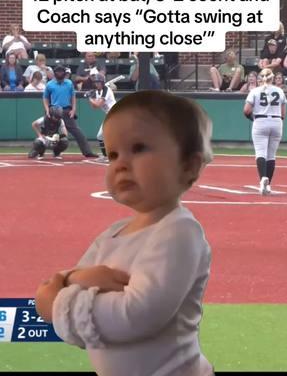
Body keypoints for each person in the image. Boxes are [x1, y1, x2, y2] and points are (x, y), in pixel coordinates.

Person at [35, 90, 214, 376]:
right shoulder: (113, 234)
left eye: (139, 148)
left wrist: (57, 303)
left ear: (188, 166)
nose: (120, 163)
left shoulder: (179, 231)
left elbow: (136, 316)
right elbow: (67, 281)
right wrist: (73, 278)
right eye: (112, 153)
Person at [243, 68, 287, 195]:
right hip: (276, 121)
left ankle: (263, 178)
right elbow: (283, 112)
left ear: (260, 78)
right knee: (271, 155)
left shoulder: (255, 91)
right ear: (272, 78)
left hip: (260, 121)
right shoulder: (279, 91)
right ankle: (268, 186)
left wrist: (254, 119)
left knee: (260, 153)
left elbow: (246, 110)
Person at [43, 65, 98, 158]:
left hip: (66, 110)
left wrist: (73, 109)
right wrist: (47, 110)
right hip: (53, 111)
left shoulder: (69, 83)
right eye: (58, 72)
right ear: (55, 74)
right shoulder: (49, 84)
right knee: (50, 133)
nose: (60, 73)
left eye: (61, 72)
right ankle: (40, 151)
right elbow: (45, 98)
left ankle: (87, 152)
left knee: (77, 131)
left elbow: (73, 96)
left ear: (64, 73)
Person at [86, 73, 116, 162]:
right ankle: (106, 156)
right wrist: (91, 97)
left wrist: (89, 98)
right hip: (109, 115)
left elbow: (98, 104)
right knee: (100, 136)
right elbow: (94, 107)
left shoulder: (107, 90)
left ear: (103, 82)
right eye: (96, 82)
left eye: (99, 82)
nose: (97, 84)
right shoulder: (98, 92)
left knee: (109, 136)